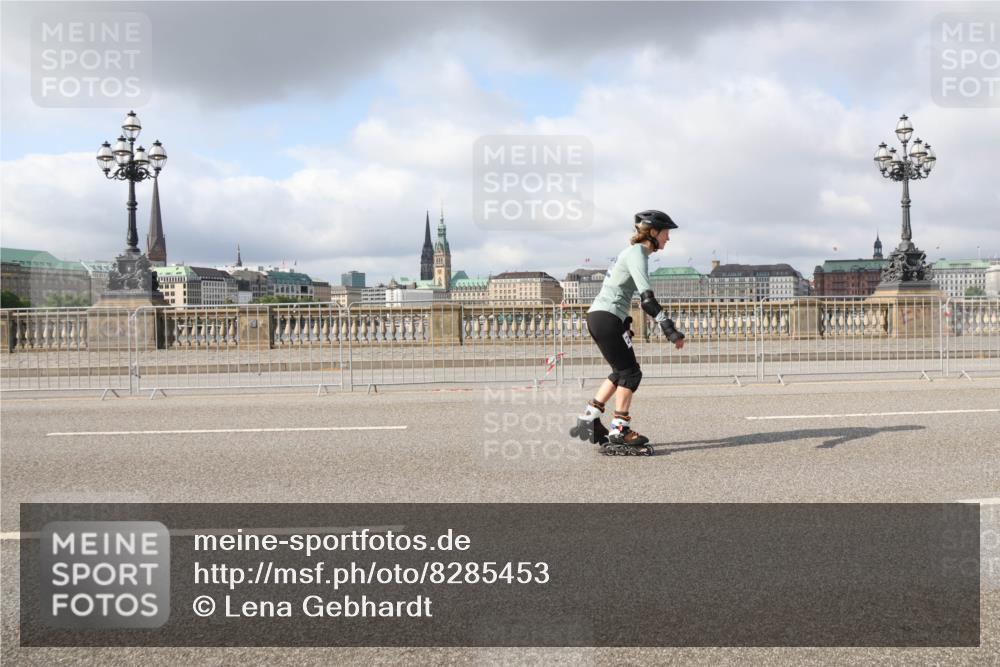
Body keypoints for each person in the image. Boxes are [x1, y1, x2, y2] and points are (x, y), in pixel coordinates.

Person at [570, 210, 685, 456]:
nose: (668, 238)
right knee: (630, 374)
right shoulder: (638, 253)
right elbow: (647, 299)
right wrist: (669, 328)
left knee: (620, 372)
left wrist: (622, 323)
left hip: (602, 317)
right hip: (607, 317)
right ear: (652, 232)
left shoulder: (631, 253)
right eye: (666, 233)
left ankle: (589, 417)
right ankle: (620, 429)